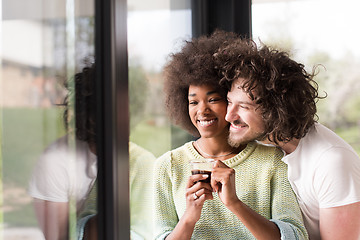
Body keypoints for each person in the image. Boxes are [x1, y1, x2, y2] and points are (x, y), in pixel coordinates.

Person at [154, 31, 308, 240]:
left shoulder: (272, 162)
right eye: (193, 102)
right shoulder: (168, 166)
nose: (202, 110)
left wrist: (234, 203)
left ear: (231, 99)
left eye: (214, 99)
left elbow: (295, 236)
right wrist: (189, 218)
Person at [214, 34, 360, 240]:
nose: (229, 116)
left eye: (244, 107)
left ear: (275, 109)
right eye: (230, 102)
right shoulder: (264, 146)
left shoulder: (331, 162)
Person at [28, 63, 156, 240]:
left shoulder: (141, 161)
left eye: (129, 107)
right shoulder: (55, 162)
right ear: (91, 113)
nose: (125, 116)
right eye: (114, 107)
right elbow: (58, 237)